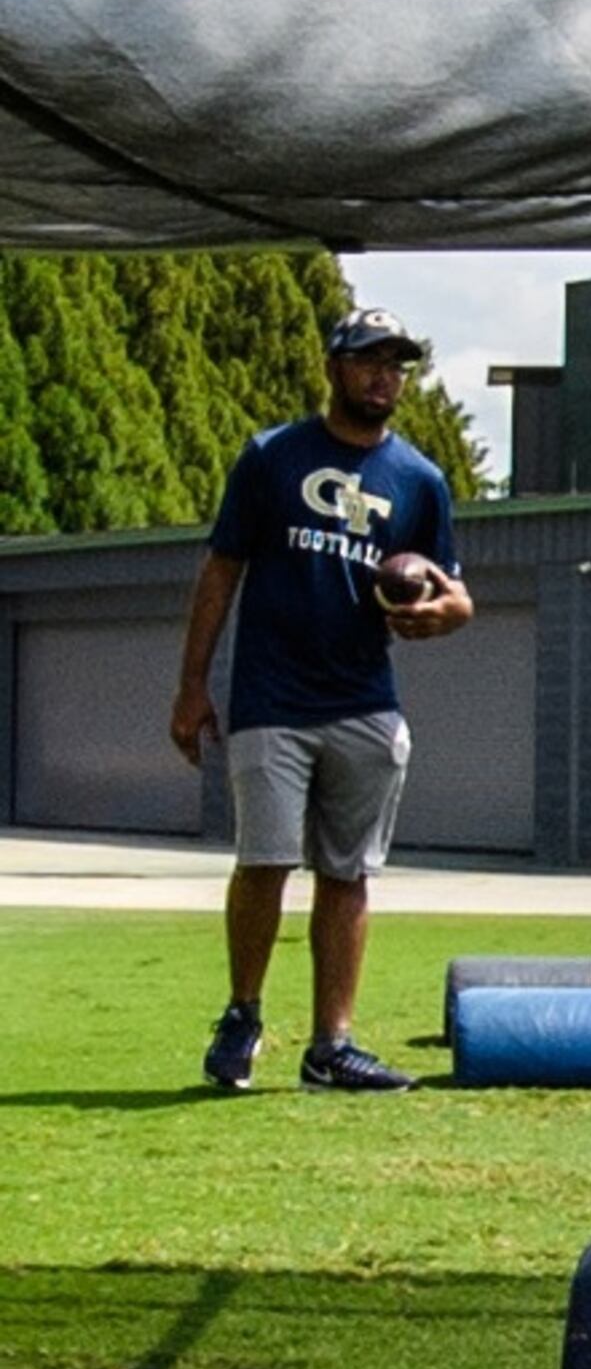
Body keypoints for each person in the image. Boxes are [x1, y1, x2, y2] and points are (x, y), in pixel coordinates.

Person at [170, 306, 474, 1093]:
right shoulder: (272, 456)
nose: (385, 376)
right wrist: (192, 684)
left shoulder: (420, 480)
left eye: (398, 364)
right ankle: (242, 1016)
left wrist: (437, 616)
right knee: (264, 861)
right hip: (272, 698)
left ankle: (330, 1047)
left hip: (365, 701)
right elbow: (221, 570)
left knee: (349, 872)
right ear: (335, 366)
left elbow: (457, 597)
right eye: (371, 360)